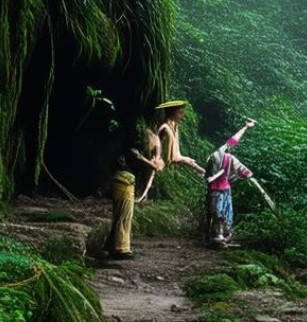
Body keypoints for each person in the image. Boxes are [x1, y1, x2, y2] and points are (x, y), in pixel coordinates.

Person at [106, 99, 204, 259]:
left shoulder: (151, 134)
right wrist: (153, 166)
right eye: (180, 112)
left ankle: (111, 246)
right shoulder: (143, 133)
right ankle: (120, 249)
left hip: (126, 177)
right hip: (123, 177)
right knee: (124, 214)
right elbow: (135, 155)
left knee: (122, 214)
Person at [204, 119, 257, 248]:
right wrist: (246, 127)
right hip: (222, 190)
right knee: (221, 214)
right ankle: (220, 236)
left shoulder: (212, 157)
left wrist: (245, 127)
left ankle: (218, 236)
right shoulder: (224, 156)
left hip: (215, 190)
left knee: (217, 213)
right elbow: (244, 171)